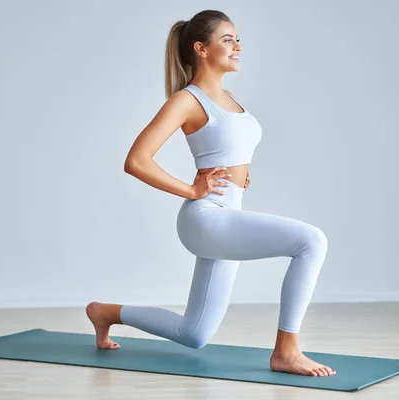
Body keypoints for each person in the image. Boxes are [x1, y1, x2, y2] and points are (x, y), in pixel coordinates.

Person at [86, 9, 335, 377]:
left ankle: (105, 312)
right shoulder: (187, 100)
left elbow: (228, 149)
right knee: (311, 241)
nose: (238, 46)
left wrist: (240, 174)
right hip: (207, 218)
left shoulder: (231, 98)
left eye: (237, 39)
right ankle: (286, 351)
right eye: (228, 39)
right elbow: (137, 160)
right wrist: (190, 188)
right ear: (201, 49)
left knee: (195, 333)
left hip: (227, 214)